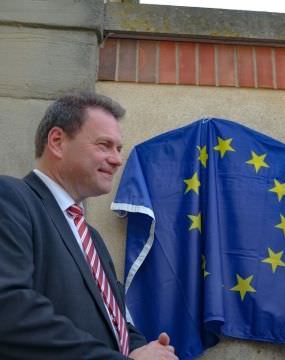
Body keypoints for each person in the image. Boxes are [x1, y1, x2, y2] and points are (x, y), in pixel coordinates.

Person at [0, 93, 177, 359]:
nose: (117, 160)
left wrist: (144, 348)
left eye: (119, 149)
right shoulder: (11, 198)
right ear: (57, 142)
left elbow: (113, 316)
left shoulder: (90, 236)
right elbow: (10, 309)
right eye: (105, 145)